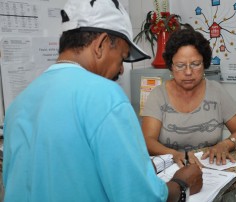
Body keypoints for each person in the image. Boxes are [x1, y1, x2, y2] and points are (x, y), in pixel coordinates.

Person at [2, 1, 203, 201]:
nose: (121, 69)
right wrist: (181, 184)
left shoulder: (20, 103)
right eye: (122, 57)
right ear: (101, 45)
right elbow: (142, 198)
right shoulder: (106, 96)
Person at [141, 26, 236, 167]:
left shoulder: (216, 91)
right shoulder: (158, 95)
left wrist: (225, 144)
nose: (188, 72)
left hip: (211, 170)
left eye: (195, 64)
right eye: (180, 65)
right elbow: (147, 140)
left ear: (204, 64)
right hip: (172, 172)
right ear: (171, 66)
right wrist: (173, 154)